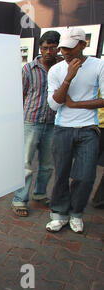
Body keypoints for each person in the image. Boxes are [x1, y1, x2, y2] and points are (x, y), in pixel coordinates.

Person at [46, 27, 104, 233]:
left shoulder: (99, 65)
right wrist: (69, 77)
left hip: (89, 129)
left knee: (85, 175)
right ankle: (59, 214)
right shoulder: (57, 70)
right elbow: (54, 104)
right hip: (63, 129)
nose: (66, 53)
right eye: (63, 48)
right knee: (61, 174)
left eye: (71, 48)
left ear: (83, 45)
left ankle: (76, 213)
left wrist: (76, 104)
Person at [11, 31, 61, 217]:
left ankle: (40, 194)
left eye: (52, 48)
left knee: (47, 164)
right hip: (31, 121)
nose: (48, 51)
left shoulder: (62, 68)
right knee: (25, 162)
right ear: (40, 48)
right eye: (45, 48)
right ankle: (20, 199)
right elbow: (19, 95)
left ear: (57, 48)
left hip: (53, 122)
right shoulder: (29, 69)